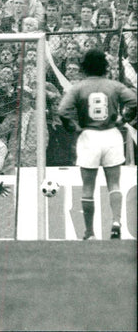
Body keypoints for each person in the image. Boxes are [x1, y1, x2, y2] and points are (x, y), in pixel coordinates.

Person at [57, 48, 137, 240]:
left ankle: (89, 232)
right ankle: (116, 221)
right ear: (104, 66)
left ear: (84, 67)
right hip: (112, 135)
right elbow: (134, 101)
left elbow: (62, 110)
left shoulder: (78, 88)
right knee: (114, 183)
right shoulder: (114, 86)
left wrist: (73, 127)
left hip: (89, 136)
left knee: (87, 187)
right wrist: (123, 119)